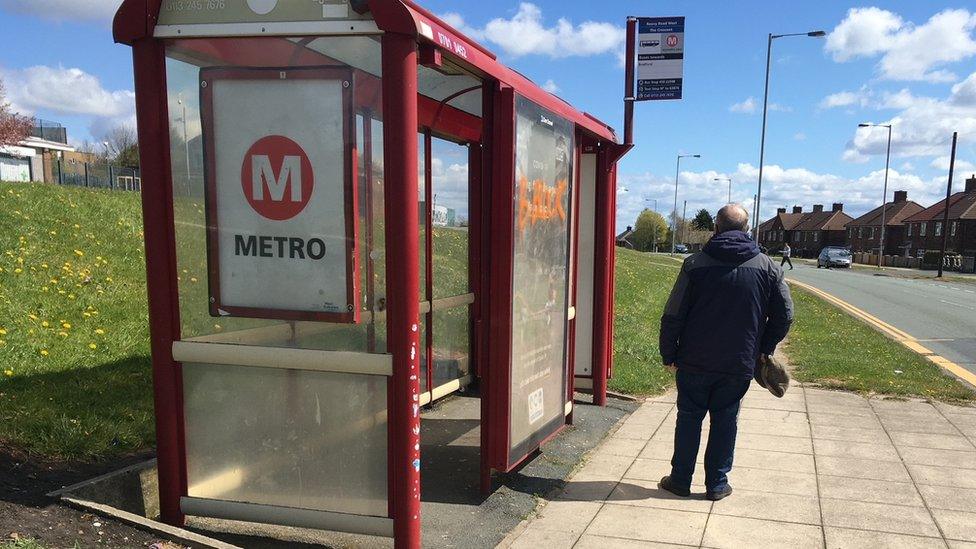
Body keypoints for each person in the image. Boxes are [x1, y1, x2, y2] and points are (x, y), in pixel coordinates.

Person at [657, 204, 793, 501]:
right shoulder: (769, 267)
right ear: (747, 230)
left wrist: (669, 353)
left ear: (716, 229)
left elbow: (674, 314)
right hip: (739, 361)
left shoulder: (694, 264)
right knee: (726, 419)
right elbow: (785, 316)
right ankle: (717, 484)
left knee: (689, 418)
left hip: (694, 360)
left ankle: (680, 480)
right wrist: (763, 348)